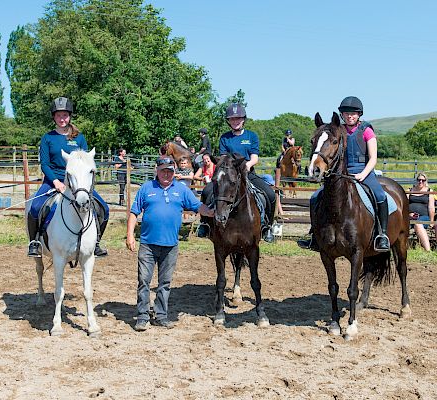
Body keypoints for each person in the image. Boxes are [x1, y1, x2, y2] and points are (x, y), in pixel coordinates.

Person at [126, 156, 214, 331]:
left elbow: (198, 207)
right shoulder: (146, 188)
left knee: (164, 283)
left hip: (171, 245)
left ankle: (161, 315)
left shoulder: (181, 190)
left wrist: (214, 212)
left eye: (170, 171)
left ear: (174, 172)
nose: (166, 174)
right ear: (157, 171)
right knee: (144, 281)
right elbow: (134, 212)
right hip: (148, 244)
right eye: (163, 170)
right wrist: (129, 235)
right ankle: (142, 316)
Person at [298, 96, 390, 252]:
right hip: (342, 174)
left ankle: (382, 235)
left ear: (359, 114)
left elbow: (373, 158)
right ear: (342, 115)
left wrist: (363, 174)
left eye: (353, 113)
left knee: (380, 196)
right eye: (346, 113)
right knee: (315, 198)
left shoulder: (366, 130)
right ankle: (315, 236)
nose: (350, 116)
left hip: (364, 172)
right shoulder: (337, 130)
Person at [27, 97, 109, 258]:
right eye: (58, 116)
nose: (62, 119)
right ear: (53, 117)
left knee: (104, 208)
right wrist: (56, 182)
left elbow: (86, 162)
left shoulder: (79, 138)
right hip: (54, 180)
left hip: (78, 183)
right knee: (35, 207)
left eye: (65, 115)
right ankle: (35, 242)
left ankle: (96, 242)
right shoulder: (47, 138)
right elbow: (44, 164)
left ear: (69, 116)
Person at [198, 103, 276, 242]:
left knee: (270, 194)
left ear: (243, 119)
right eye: (232, 119)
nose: (235, 121)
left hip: (247, 173)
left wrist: (248, 164)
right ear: (228, 121)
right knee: (207, 191)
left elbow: (255, 157)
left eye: (238, 118)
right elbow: (223, 158)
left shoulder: (251, 136)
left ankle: (267, 227)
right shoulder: (225, 137)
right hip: (229, 175)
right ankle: (204, 224)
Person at [408, 173, 435, 251]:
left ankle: (428, 250)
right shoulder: (409, 190)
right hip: (409, 217)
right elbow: (404, 205)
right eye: (419, 180)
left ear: (425, 181)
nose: (420, 182)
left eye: (423, 180)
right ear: (416, 180)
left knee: (418, 224)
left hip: (424, 217)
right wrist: (409, 214)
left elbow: (431, 207)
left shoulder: (429, 191)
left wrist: (431, 221)